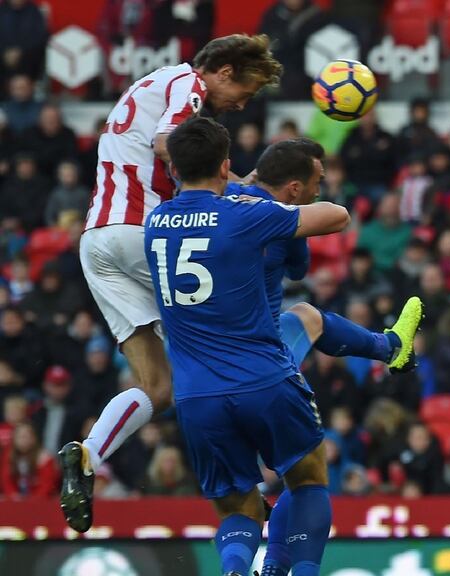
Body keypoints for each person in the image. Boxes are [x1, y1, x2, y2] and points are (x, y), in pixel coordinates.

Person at [58, 34, 284, 535]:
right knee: (224, 351)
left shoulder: (152, 82)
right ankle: (243, 484)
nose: (242, 104)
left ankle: (87, 455)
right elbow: (169, 142)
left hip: (99, 241)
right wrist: (232, 197)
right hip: (146, 233)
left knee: (158, 386)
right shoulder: (189, 84)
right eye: (244, 91)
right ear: (222, 71)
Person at [142, 117, 350, 576]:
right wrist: (251, 189)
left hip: (197, 397)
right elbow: (336, 216)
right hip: (263, 379)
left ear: (173, 169)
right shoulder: (243, 214)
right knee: (308, 477)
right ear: (226, 165)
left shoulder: (154, 222)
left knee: (239, 509)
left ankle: (236, 570)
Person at [222, 139, 423, 576]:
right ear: (294, 187)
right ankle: (390, 348)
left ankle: (249, 568)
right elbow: (300, 265)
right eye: (315, 181)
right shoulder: (281, 217)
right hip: (261, 359)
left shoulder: (214, 203)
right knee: (307, 470)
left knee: (239, 498)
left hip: (204, 372)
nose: (321, 186)